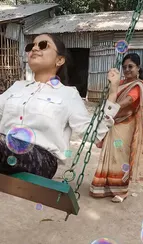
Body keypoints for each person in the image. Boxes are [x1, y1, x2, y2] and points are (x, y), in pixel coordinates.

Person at [0, 33, 121, 179]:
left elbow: (91, 133)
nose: (35, 48)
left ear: (59, 60)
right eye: (32, 46)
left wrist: (113, 93)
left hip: (41, 159)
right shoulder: (17, 87)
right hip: (6, 149)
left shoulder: (68, 94)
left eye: (43, 45)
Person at [90, 53, 143, 202]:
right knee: (109, 153)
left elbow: (129, 100)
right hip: (113, 122)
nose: (127, 69)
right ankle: (105, 186)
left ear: (138, 68)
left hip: (125, 125)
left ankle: (122, 190)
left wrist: (113, 107)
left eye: (130, 66)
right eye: (124, 67)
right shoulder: (121, 82)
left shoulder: (138, 85)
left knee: (120, 155)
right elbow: (111, 95)